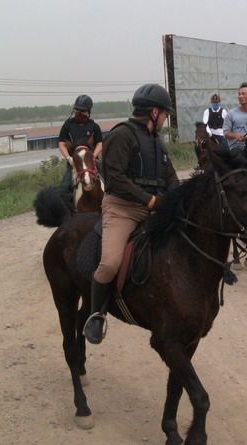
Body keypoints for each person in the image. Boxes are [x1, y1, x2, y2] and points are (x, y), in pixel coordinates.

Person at [83, 84, 179, 344]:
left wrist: (178, 199)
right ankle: (96, 314)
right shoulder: (121, 136)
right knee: (110, 262)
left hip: (155, 207)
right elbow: (116, 179)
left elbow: (170, 176)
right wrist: (149, 200)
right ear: (155, 112)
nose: (165, 119)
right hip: (122, 209)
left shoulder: (156, 141)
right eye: (165, 114)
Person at [58, 95, 103, 197]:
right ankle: (69, 211)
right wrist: (69, 159)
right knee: (64, 188)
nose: (79, 113)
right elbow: (61, 143)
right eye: (77, 110)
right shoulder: (68, 125)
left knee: (110, 182)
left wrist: (93, 156)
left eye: (82, 111)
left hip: (92, 163)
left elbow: (100, 143)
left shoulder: (94, 126)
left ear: (88, 111)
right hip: (74, 163)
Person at [223, 82, 247, 153]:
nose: (240, 96)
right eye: (239, 94)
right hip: (236, 149)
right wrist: (236, 136)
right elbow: (226, 133)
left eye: (243, 94)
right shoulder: (231, 113)